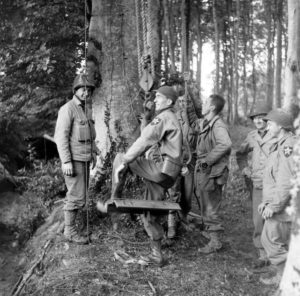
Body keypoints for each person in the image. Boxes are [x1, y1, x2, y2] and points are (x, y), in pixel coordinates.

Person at [111, 86, 182, 265]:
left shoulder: (164, 117)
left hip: (161, 169)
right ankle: (156, 254)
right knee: (150, 210)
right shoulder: (173, 118)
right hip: (169, 174)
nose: (156, 99)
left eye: (159, 97)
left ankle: (113, 199)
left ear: (169, 102)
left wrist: (126, 161)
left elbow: (144, 140)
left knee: (120, 157)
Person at [54, 74, 97, 244]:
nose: (86, 93)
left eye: (89, 90)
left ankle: (73, 227)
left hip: (84, 158)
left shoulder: (85, 109)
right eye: (83, 89)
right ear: (76, 90)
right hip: (74, 161)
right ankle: (69, 231)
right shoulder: (68, 109)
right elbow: (60, 137)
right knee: (75, 196)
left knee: (82, 195)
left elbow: (90, 136)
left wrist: (93, 152)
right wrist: (66, 161)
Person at [187, 94, 232, 254]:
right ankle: (211, 232)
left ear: (212, 107)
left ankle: (216, 242)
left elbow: (225, 144)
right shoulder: (206, 122)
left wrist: (208, 160)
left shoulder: (217, 125)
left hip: (212, 171)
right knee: (205, 202)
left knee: (211, 206)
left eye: (205, 102)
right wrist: (188, 100)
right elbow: (193, 121)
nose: (203, 105)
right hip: (205, 170)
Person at [258, 109, 296, 285]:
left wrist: (273, 206)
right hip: (281, 204)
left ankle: (289, 278)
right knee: (276, 242)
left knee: (271, 242)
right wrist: (266, 202)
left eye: (271, 123)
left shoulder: (288, 147)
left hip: (284, 207)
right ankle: (286, 278)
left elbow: (285, 181)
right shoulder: (280, 144)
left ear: (280, 126)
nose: (268, 125)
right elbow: (273, 178)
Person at [236, 104, 276, 267]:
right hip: (258, 183)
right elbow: (240, 154)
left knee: (275, 219)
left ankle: (275, 253)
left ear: (268, 119)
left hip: (275, 185)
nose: (258, 121)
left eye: (262, 118)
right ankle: (262, 253)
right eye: (255, 118)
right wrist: (245, 168)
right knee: (258, 219)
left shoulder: (277, 134)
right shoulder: (251, 136)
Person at [167, 94, 197, 239]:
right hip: (174, 162)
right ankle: (171, 225)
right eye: (179, 101)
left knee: (187, 194)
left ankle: (184, 218)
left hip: (190, 163)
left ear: (190, 103)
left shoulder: (195, 121)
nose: (183, 104)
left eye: (185, 101)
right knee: (173, 193)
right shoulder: (172, 117)